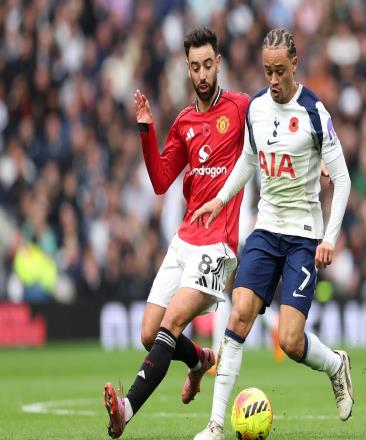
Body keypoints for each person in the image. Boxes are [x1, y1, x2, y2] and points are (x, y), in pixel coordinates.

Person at [191, 28, 353, 440]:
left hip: (303, 236)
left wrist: (329, 238)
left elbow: (343, 179)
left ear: (295, 64)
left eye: (280, 70)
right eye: (268, 71)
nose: (274, 79)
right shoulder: (257, 109)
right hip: (266, 229)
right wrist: (220, 199)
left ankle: (336, 365)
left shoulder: (315, 113)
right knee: (238, 314)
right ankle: (215, 424)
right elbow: (248, 161)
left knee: (290, 340)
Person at [103, 27, 250, 438]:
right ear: (187, 68)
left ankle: (126, 409)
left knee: (170, 323)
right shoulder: (184, 121)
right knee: (149, 332)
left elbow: (275, 127)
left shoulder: (240, 108)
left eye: (208, 65)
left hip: (218, 244)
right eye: (195, 67)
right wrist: (147, 130)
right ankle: (200, 359)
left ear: (218, 63)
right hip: (185, 240)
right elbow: (161, 180)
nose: (202, 74)